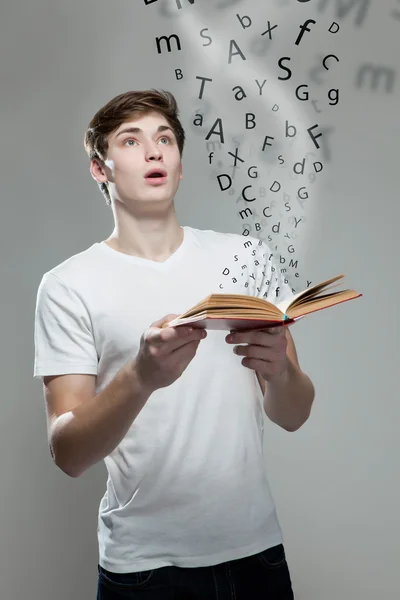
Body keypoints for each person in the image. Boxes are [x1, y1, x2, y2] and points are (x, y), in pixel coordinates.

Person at [33, 89, 315, 599]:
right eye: (131, 140)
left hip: (258, 555)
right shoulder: (68, 284)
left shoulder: (245, 257)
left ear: (180, 166)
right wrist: (141, 377)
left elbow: (294, 413)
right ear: (101, 169)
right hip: (143, 568)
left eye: (165, 138)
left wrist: (282, 373)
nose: (154, 151)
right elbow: (67, 452)